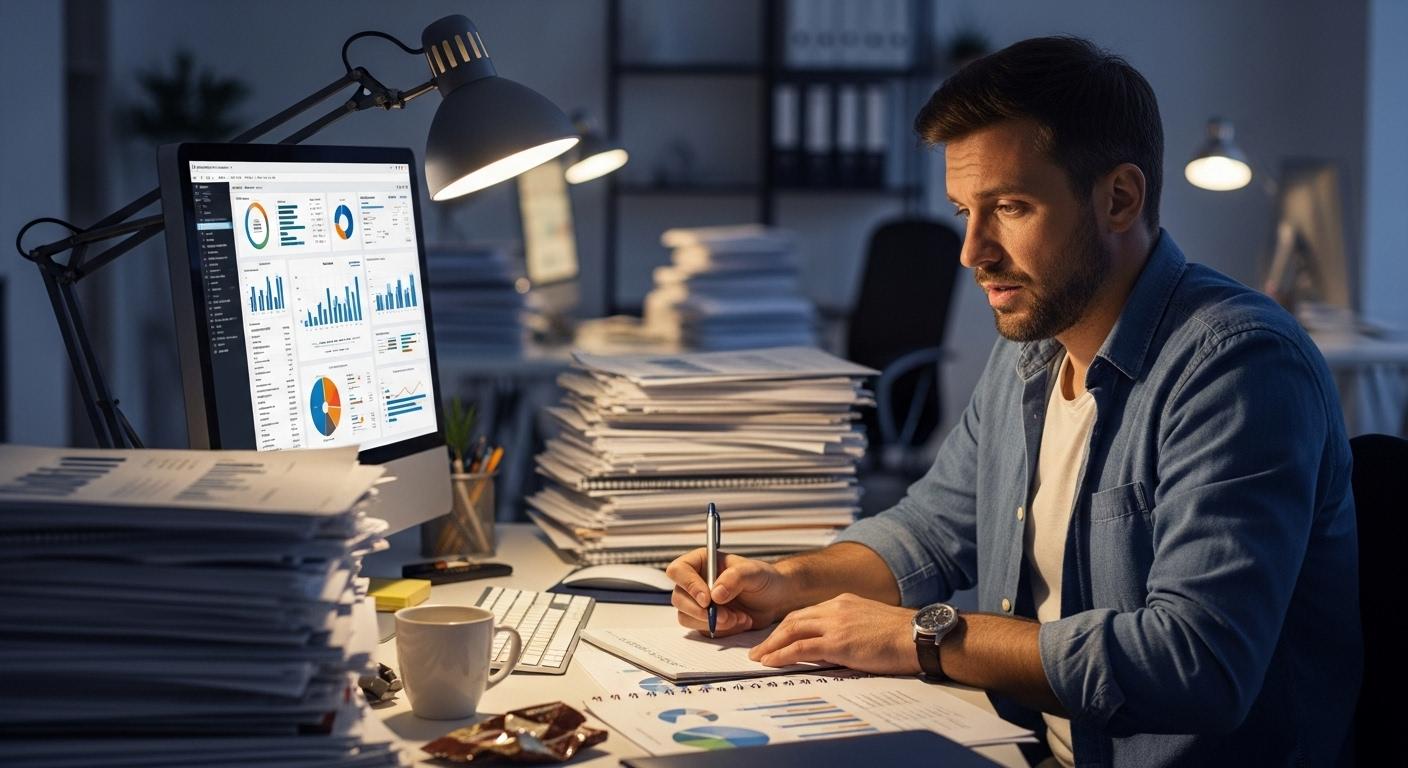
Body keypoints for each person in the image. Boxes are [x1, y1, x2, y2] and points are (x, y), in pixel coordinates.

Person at [667, 36, 1360, 767]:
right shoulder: (1033, 349)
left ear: (1120, 198)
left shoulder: (1238, 367)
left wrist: (922, 637)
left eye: (1010, 207)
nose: (971, 251)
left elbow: (1199, 663)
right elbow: (934, 528)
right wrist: (789, 581)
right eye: (965, 210)